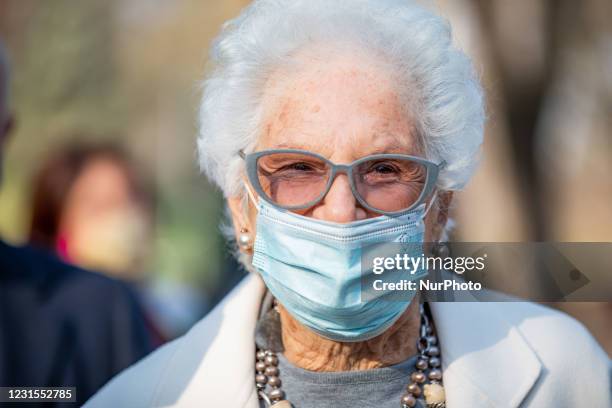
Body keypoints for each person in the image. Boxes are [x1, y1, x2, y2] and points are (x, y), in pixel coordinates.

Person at [86, 1, 611, 407]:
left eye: (385, 170)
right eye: (296, 169)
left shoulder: (567, 372)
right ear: (242, 206)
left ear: (440, 207)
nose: (340, 211)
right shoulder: (140, 397)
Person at [0, 42, 155, 406]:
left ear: (6, 134)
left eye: (128, 200)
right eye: (97, 206)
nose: (121, 220)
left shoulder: (103, 315)